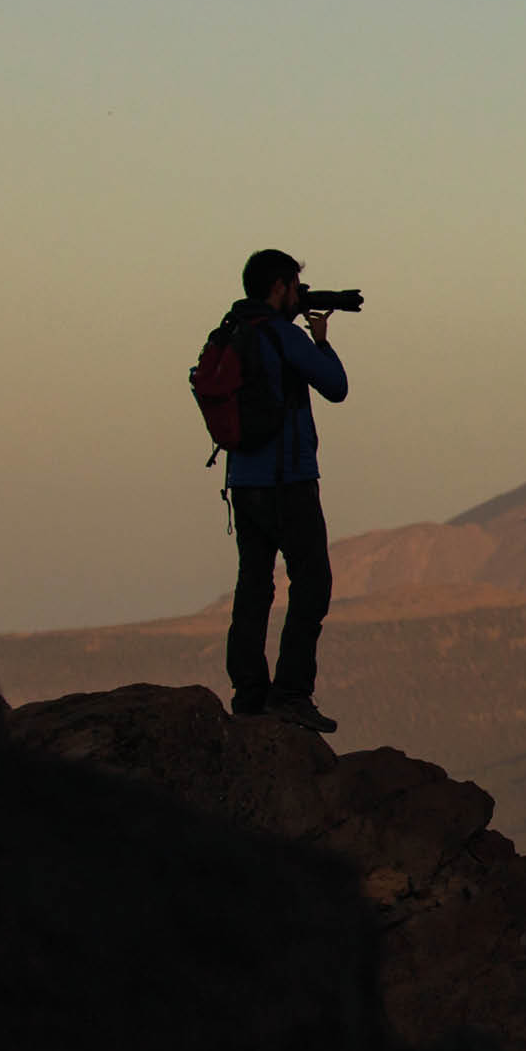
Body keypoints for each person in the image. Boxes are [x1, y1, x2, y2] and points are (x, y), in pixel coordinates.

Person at [224, 248, 348, 733]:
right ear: (280, 287)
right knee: (312, 583)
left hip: (243, 483)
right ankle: (291, 693)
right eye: (296, 288)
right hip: (289, 482)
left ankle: (249, 695)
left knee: (253, 587)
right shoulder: (281, 336)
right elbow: (335, 387)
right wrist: (320, 342)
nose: (299, 296)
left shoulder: (232, 332)